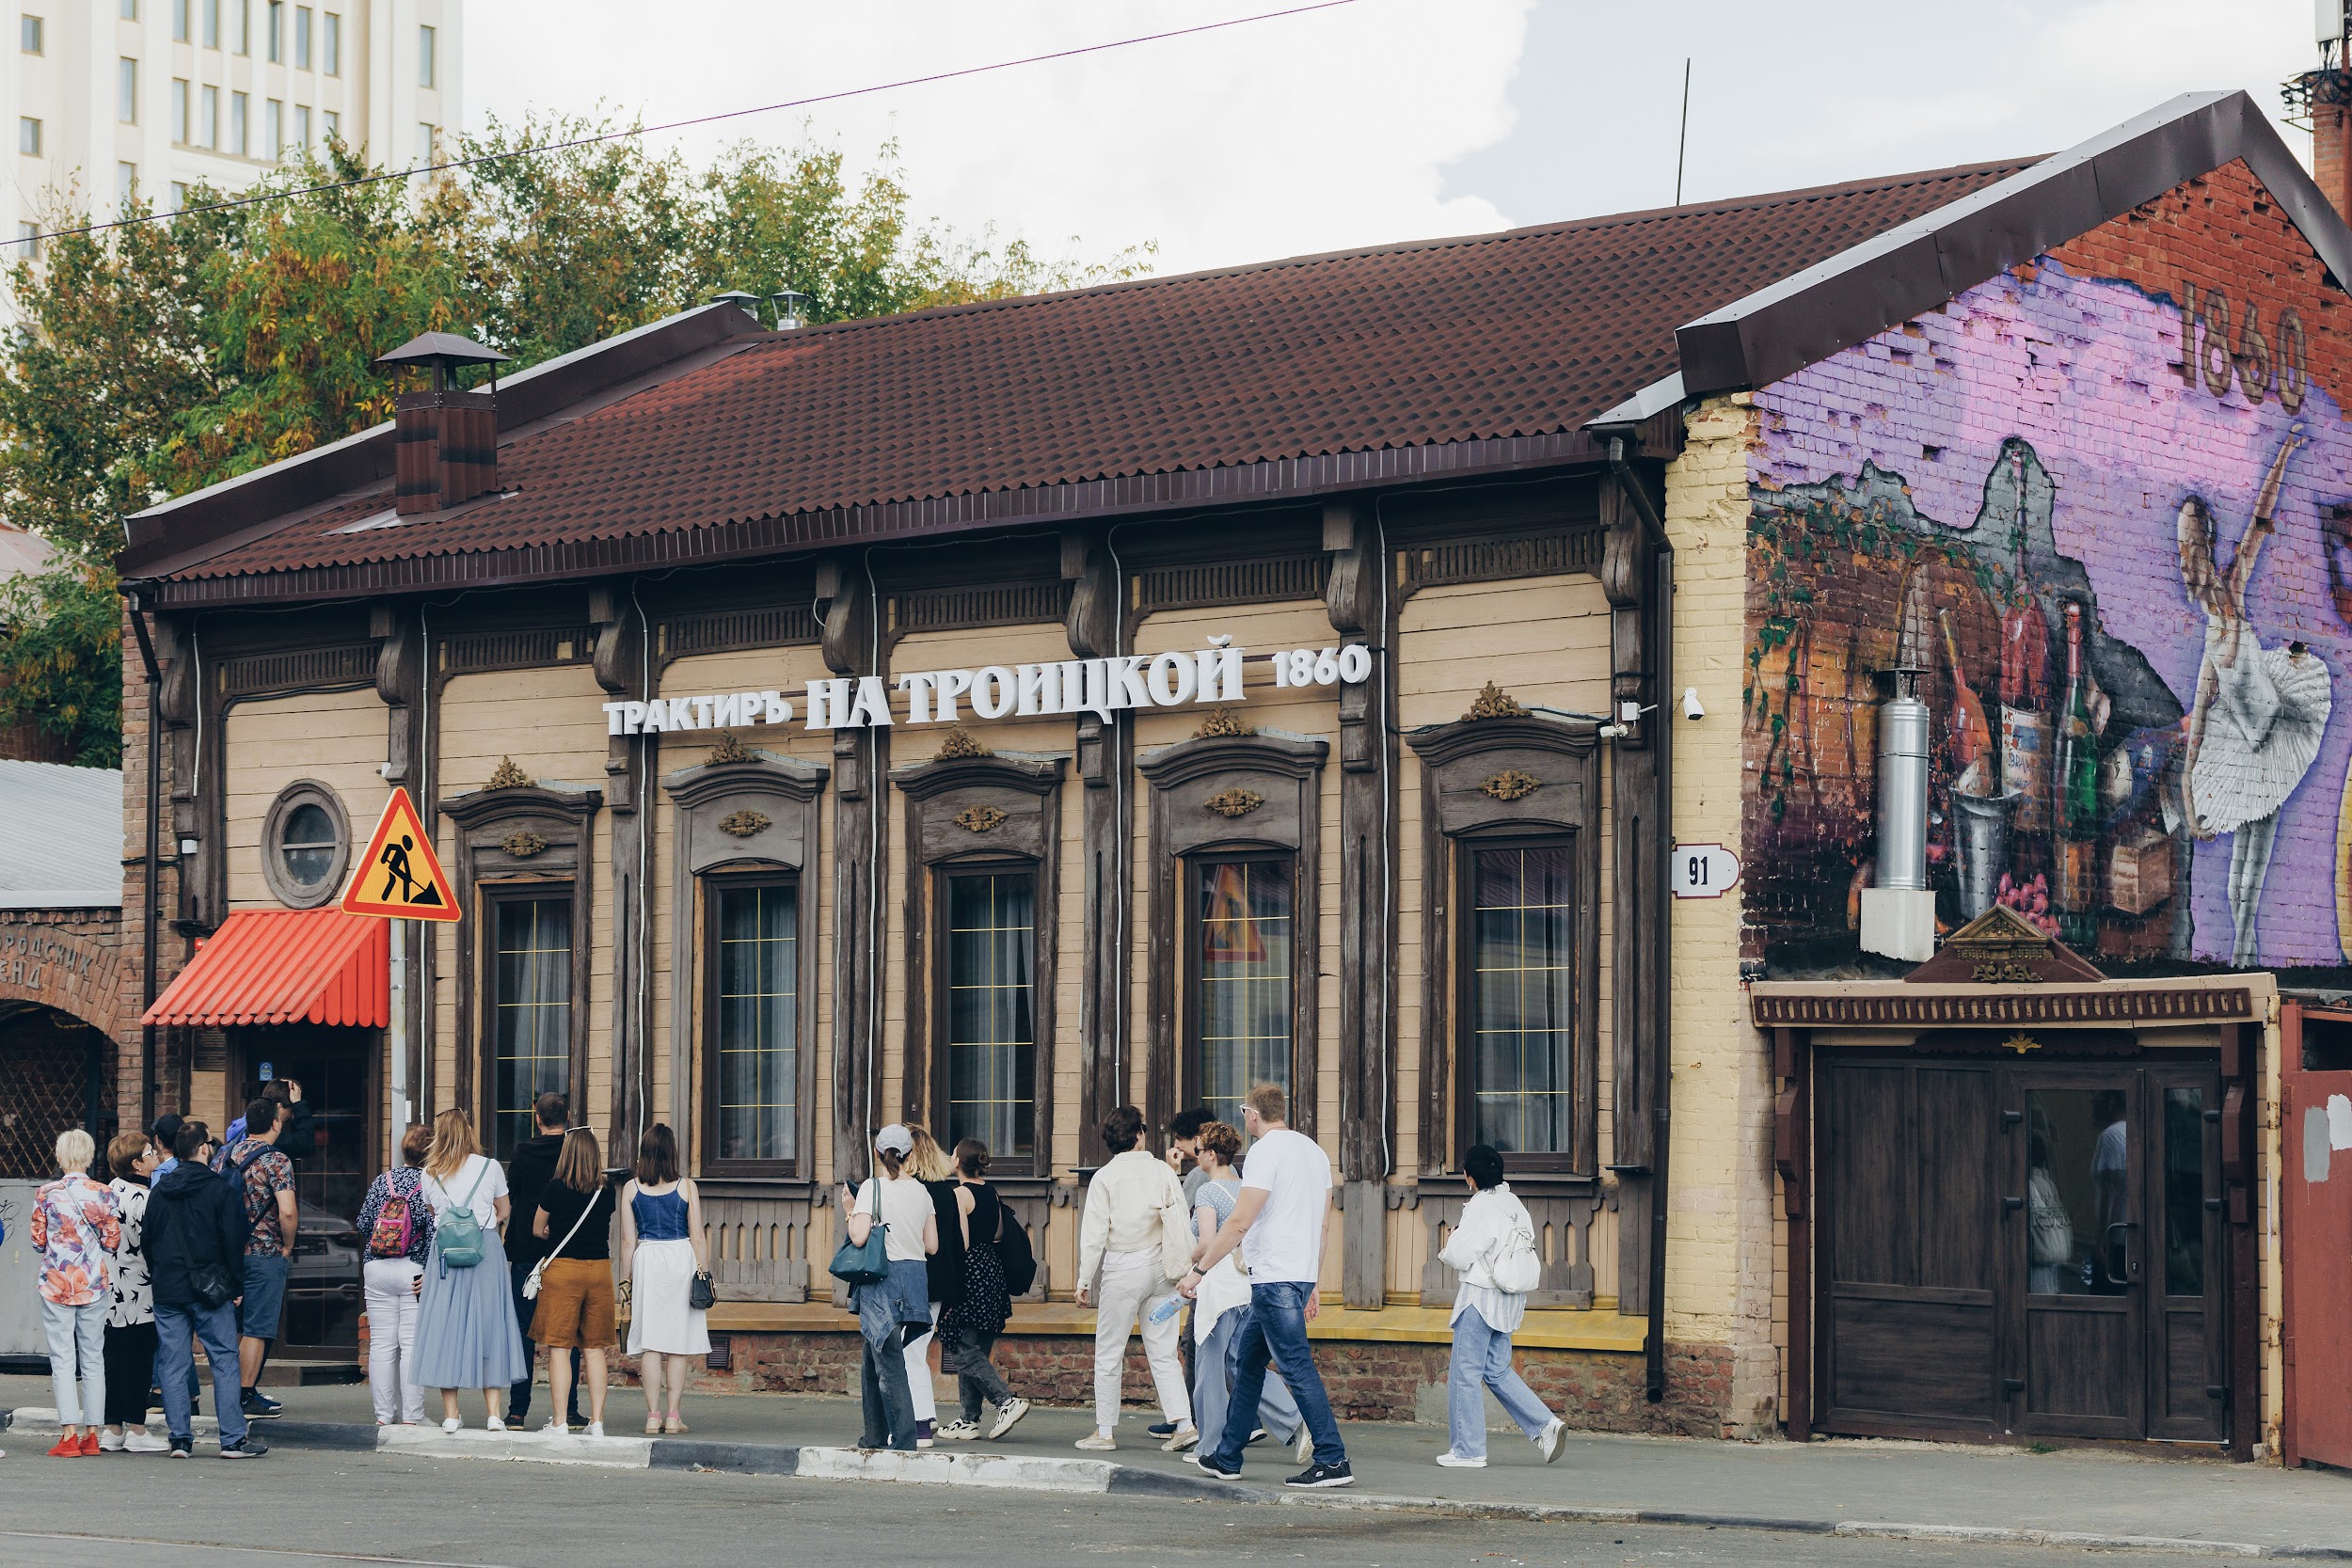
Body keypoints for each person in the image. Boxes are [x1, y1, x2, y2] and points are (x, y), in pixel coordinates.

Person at [1182, 1082, 1352, 1488]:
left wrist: (1200, 1270)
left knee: (1295, 1366)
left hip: (1273, 1276)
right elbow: (1324, 1224)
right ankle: (1227, 1456)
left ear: (1252, 1115)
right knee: (1248, 1362)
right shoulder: (1314, 1151)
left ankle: (1332, 1458)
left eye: (1245, 1112)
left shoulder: (1263, 1152)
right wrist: (1314, 1282)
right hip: (1295, 1273)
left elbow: (1240, 1222)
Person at [1434, 1144, 1565, 1468]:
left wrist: (1451, 1237)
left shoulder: (1480, 1206)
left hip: (1480, 1297)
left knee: (1464, 1373)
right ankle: (1545, 1425)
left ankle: (1468, 1450)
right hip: (1509, 1299)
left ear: (1469, 1177)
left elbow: (1460, 1254)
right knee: (1496, 1370)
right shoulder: (1513, 1202)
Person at [1074, 1103, 1194, 1452]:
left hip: (1123, 1271)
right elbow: (1180, 1219)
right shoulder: (1162, 1171)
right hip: (1163, 1270)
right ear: (1140, 1133)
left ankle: (1105, 1431)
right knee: (1163, 1351)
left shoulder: (1104, 1178)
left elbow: (1094, 1234)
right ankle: (1184, 1424)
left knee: (1110, 1352)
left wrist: (1084, 1281)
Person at [1185, 1120, 1307, 1464]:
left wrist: (1189, 1257)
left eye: (1199, 1151)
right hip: (1249, 1283)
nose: (1196, 1157)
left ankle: (1209, 1444)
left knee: (1210, 1366)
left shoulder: (1207, 1192)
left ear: (1211, 1155)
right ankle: (1296, 1416)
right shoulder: (1246, 1187)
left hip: (1219, 1285)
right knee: (1241, 1362)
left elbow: (1208, 1242)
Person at [144, 1121, 265, 1459]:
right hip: (211, 1289)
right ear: (201, 1149)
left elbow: (147, 1240)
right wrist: (236, 1284)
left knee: (172, 1361)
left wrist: (161, 1273)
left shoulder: (161, 1189)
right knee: (224, 1359)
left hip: (169, 1287)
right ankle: (232, 1440)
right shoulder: (220, 1190)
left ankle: (180, 1438)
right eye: (208, 1145)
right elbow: (234, 1240)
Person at [411, 1109, 527, 1432]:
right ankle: (493, 1414)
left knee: (446, 1328)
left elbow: (434, 1212)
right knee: (491, 1326)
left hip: (446, 1255)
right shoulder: (490, 1167)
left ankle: (451, 1414)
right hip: (485, 1250)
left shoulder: (430, 1172)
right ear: (469, 1132)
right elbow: (504, 1210)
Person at [835, 1124, 936, 1452]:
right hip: (915, 1276)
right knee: (872, 1357)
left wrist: (850, 1212)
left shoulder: (871, 1188)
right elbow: (931, 1245)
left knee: (889, 1361)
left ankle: (905, 1440)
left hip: (882, 1278)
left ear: (878, 1154)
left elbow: (859, 1237)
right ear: (909, 1155)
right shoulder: (923, 1191)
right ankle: (874, 1436)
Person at [31, 1128, 121, 1457]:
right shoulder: (103, 1193)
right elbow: (112, 1240)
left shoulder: (46, 1193)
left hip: (56, 1282)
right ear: (89, 1156)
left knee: (62, 1359)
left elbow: (37, 1240)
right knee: (94, 1357)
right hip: (93, 1284)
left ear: (59, 1156)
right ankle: (93, 1434)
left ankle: (69, 1434)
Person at [933, 1137, 1028, 1442]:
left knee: (961, 1346)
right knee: (977, 1346)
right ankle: (968, 1418)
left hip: (969, 1270)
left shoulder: (960, 1194)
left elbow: (960, 1241)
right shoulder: (991, 1191)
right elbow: (1000, 1233)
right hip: (991, 1268)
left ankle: (1006, 1401)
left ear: (958, 1161)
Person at [619, 1123, 709, 1433]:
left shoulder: (631, 1188)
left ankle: (652, 1415)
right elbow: (697, 1234)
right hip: (680, 1257)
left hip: (648, 1260)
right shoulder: (687, 1187)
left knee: (651, 1343)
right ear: (672, 1152)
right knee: (677, 1344)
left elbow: (628, 1241)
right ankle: (673, 1415)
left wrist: (625, 1282)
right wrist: (704, 1272)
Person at [528, 1126, 617, 1437]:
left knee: (560, 1348)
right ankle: (597, 1422)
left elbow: (538, 1229)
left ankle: (560, 1422)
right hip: (600, 1271)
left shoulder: (554, 1189)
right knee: (595, 1348)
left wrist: (553, 1230)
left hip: (563, 1270)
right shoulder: (607, 1191)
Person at [504, 1092, 583, 1431]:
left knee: (523, 1332)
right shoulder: (575, 1151)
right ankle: (569, 1409)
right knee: (567, 1335)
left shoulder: (524, 1151)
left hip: (525, 1250)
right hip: (565, 1251)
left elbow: (513, 1190)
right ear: (567, 1116)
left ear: (537, 1117)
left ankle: (517, 1411)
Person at [215, 1096, 296, 1422]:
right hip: (264, 1252)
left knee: (234, 1324)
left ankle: (230, 1390)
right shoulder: (277, 1160)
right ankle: (245, 1395)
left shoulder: (224, 1155)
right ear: (275, 1123)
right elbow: (287, 1210)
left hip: (228, 1252)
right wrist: (287, 1245)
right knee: (258, 1327)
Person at [356, 1124, 437, 1425]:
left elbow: (364, 1225)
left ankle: (383, 1415)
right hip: (413, 1271)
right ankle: (413, 1417)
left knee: (381, 1345)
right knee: (411, 1345)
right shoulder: (430, 1184)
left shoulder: (382, 1181)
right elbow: (433, 1235)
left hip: (376, 1268)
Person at [100, 1130, 169, 1453]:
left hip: (108, 1289)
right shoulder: (148, 1198)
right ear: (137, 1163)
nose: (155, 1155)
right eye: (149, 1151)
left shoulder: (106, 1193)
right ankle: (137, 1429)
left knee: (113, 1359)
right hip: (142, 1289)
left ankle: (112, 1428)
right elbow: (155, 1245)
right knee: (141, 1360)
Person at [902, 1122, 965, 1448]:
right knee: (918, 1350)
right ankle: (922, 1416)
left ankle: (921, 1422)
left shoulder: (908, 1192)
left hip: (912, 1281)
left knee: (910, 1353)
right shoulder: (947, 1192)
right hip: (940, 1285)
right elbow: (957, 1245)